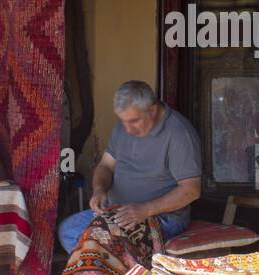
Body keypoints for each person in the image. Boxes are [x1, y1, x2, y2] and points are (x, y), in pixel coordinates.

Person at [57, 80, 202, 254]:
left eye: (133, 121)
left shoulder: (179, 134)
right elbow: (105, 166)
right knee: (69, 230)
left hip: (160, 216)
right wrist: (99, 189)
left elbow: (191, 190)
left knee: (102, 239)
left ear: (153, 111)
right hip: (117, 211)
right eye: (123, 121)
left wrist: (145, 209)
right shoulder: (124, 127)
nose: (127, 128)